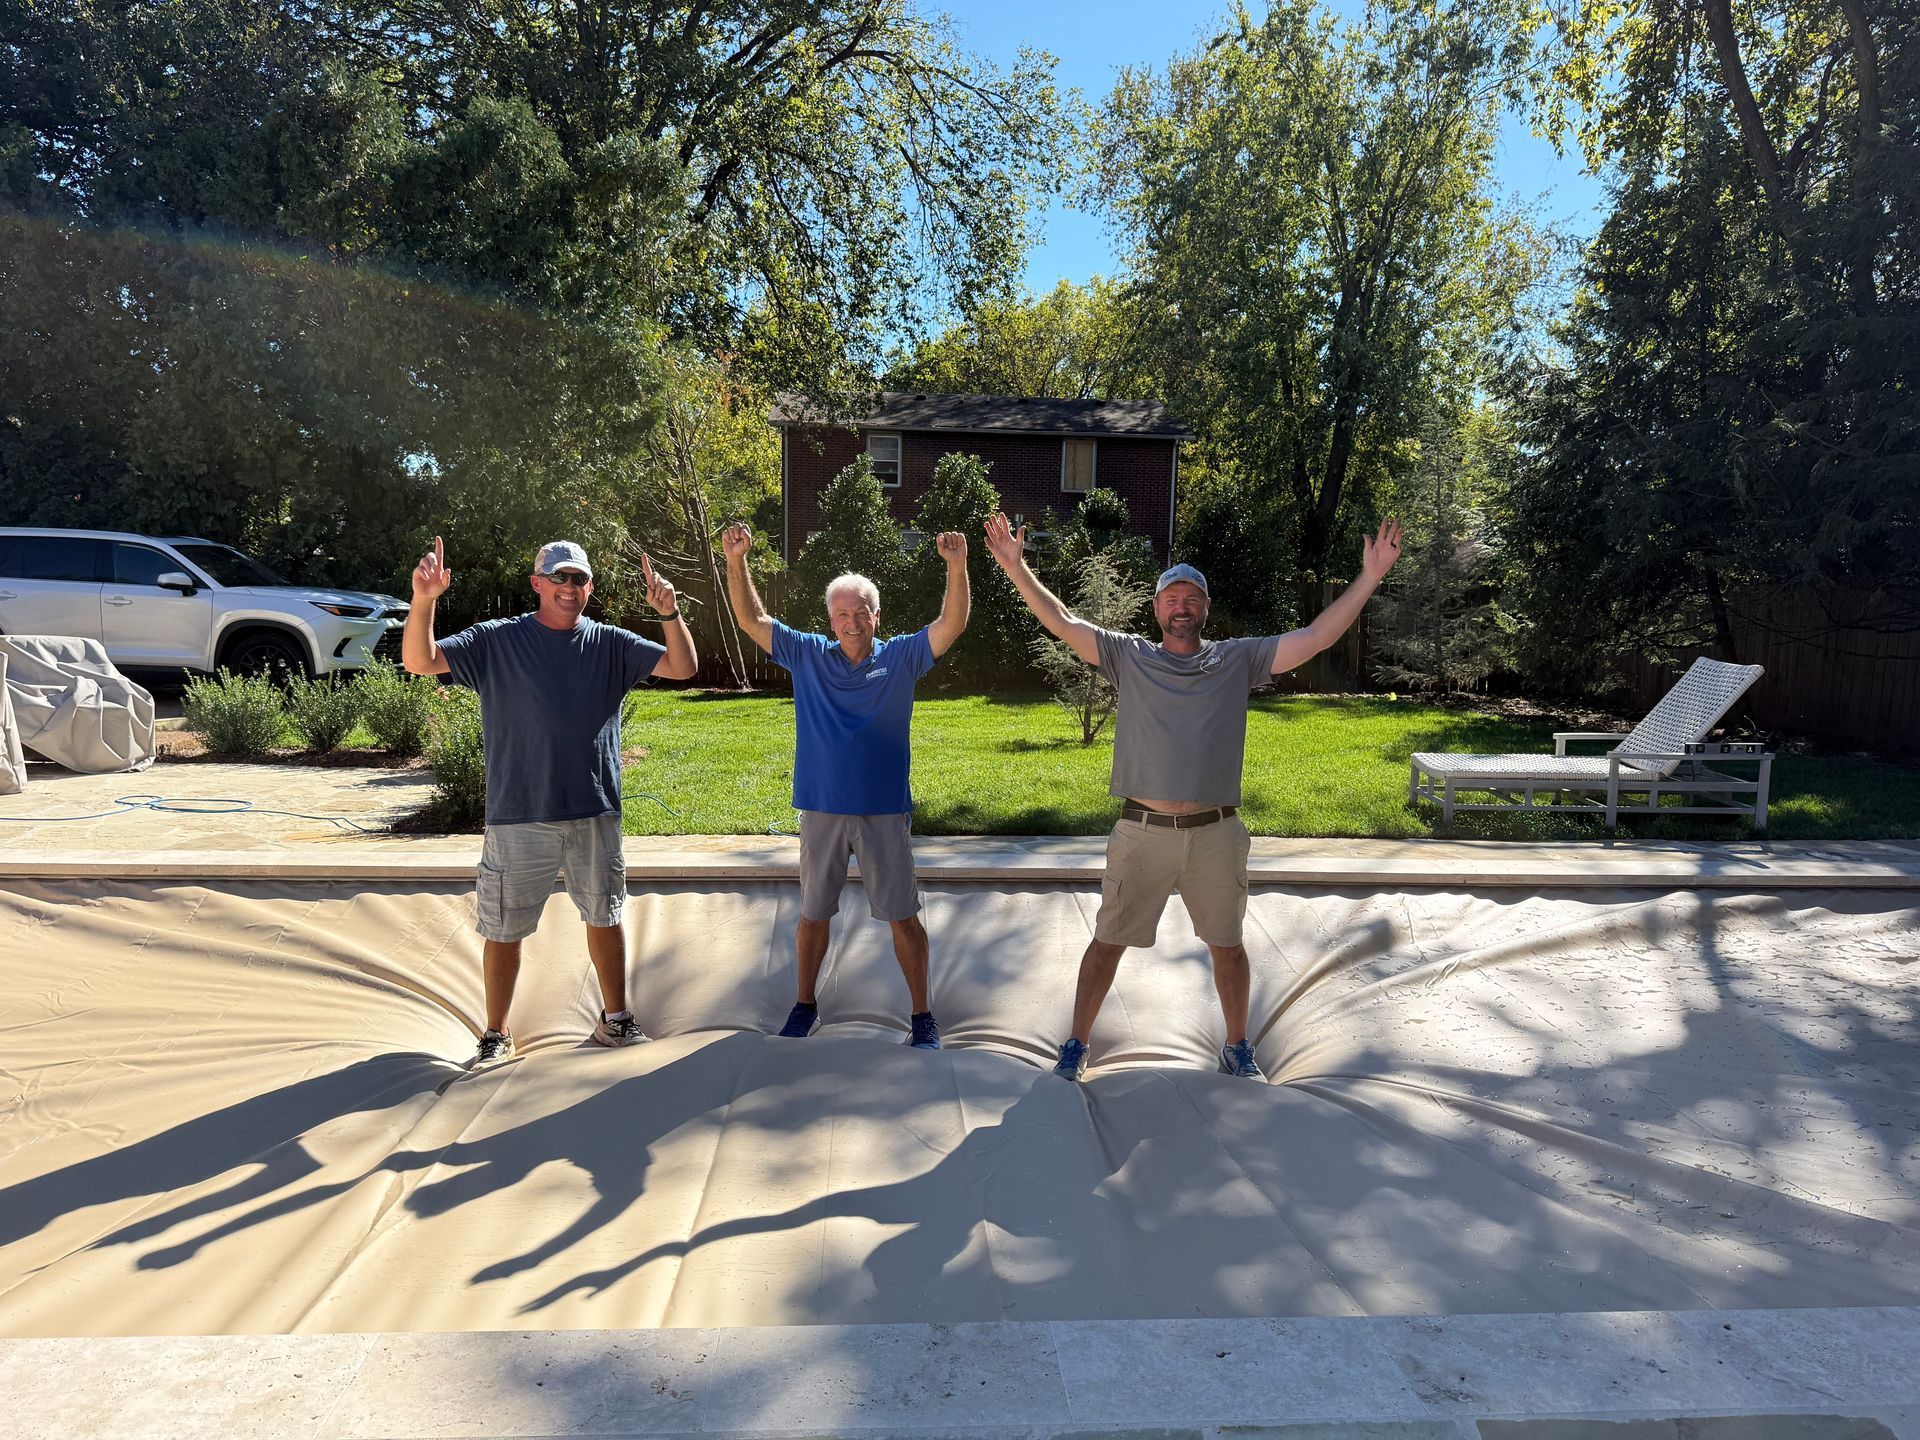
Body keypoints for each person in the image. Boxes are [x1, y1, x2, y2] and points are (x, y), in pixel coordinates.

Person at [981, 512, 1402, 1082]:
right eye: (1171, 598)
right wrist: (1015, 566)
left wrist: (1370, 577)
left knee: (1227, 946)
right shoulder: (1128, 655)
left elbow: (1316, 637)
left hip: (1216, 834)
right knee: (1106, 942)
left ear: (1205, 608)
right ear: (1157, 609)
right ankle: (1075, 1045)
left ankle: (1237, 1048)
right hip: (1141, 831)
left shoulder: (1236, 659)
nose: (1181, 607)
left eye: (1192, 598)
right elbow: (1061, 620)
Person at [403, 536, 698, 1064]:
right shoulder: (498, 640)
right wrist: (424, 600)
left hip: (594, 809)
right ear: (537, 583)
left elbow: (682, 668)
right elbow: (421, 661)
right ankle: (496, 1033)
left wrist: (670, 612)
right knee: (503, 927)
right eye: (558, 578)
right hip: (519, 812)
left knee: (605, 916)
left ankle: (617, 1021)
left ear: (590, 587)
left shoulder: (609, 643)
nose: (568, 587)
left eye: (578, 579)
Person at [721, 522, 969, 1049]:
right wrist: (736, 560)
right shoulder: (808, 654)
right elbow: (751, 618)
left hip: (883, 811)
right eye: (842, 614)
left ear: (876, 617)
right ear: (830, 619)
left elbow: (952, 623)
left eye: (861, 613)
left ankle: (922, 1016)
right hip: (823, 808)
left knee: (903, 917)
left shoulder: (901, 655)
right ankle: (805, 1004)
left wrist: (955, 566)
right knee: (813, 915)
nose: (852, 623)